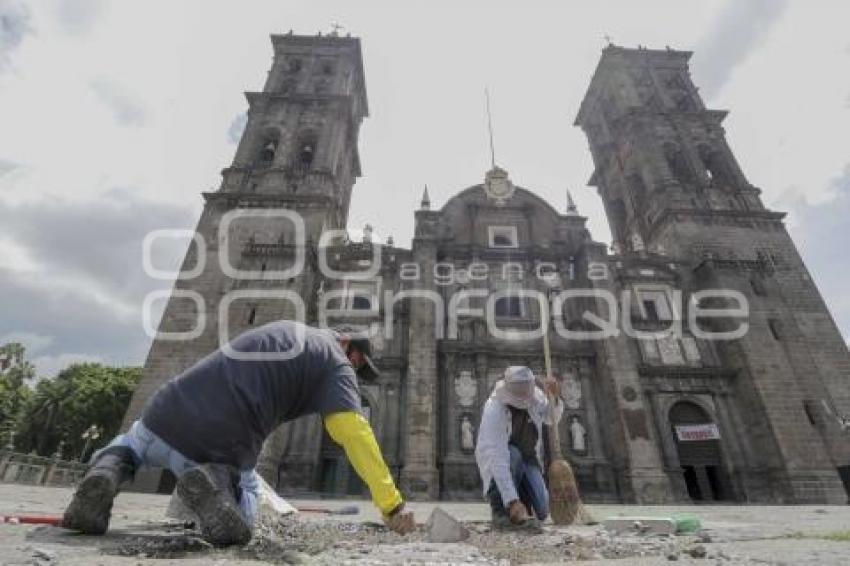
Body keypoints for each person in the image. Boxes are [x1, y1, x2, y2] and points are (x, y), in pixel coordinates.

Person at [62, 321, 415, 545]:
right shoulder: (335, 361)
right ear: (348, 347)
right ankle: (217, 478)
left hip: (163, 413)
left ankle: (107, 471)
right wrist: (391, 504)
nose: (355, 373)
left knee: (133, 442)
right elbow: (353, 432)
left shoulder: (286, 328)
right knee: (248, 511)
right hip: (221, 442)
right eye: (358, 365)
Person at [475, 366, 563, 531]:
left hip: (528, 457)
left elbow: (551, 418)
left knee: (543, 510)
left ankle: (522, 503)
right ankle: (501, 512)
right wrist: (510, 500)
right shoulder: (494, 408)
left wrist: (554, 398)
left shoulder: (535, 396)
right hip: (504, 458)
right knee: (513, 455)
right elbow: (497, 457)